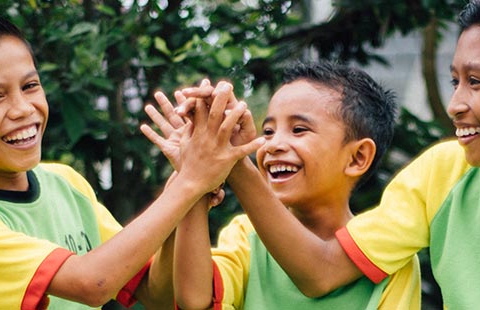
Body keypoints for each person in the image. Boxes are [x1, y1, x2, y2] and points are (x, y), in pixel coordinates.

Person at [178, 0, 480, 308]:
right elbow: (321, 272)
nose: (456, 104)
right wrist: (235, 161)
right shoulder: (443, 172)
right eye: (455, 80)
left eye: (476, 82)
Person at [0, 11, 258, 309]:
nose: (24, 109)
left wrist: (190, 186)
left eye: (30, 86)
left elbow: (157, 293)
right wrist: (188, 183)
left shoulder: (64, 183)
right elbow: (93, 282)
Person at [140, 63, 419, 310]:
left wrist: (235, 162)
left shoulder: (388, 259)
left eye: (299, 130)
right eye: (269, 131)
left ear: (357, 157)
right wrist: (194, 176)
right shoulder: (246, 235)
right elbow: (195, 300)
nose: (273, 145)